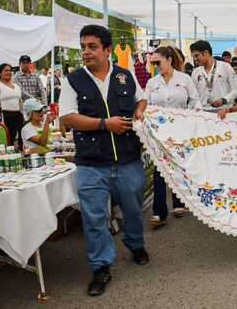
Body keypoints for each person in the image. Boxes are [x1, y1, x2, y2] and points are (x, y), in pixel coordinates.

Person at [60, 25, 149, 297]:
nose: (86, 51)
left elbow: (142, 99)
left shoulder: (125, 75)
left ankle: (135, 244)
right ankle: (100, 267)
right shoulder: (72, 80)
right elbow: (67, 117)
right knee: (94, 217)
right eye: (83, 46)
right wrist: (103, 124)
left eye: (92, 46)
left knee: (133, 207)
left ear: (108, 49)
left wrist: (139, 111)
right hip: (91, 163)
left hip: (127, 158)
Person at [141, 46, 200, 228]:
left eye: (158, 62)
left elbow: (195, 100)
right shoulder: (152, 83)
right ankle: (159, 212)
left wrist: (192, 117)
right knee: (160, 170)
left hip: (181, 131)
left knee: (179, 166)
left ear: (169, 60)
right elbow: (145, 104)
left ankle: (179, 203)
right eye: (153, 63)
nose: (155, 66)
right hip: (159, 132)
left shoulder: (185, 79)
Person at [190, 40, 237, 111]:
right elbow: (193, 94)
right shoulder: (195, 72)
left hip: (223, 112)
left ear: (205, 52)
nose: (195, 59)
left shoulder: (225, 67)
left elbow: (236, 89)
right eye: (193, 56)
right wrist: (197, 106)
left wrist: (224, 100)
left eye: (196, 55)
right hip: (203, 112)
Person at [0, 63, 23, 147]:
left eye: (10, 70)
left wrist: (23, 115)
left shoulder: (16, 86)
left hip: (18, 115)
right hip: (5, 116)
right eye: (6, 70)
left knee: (20, 141)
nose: (8, 72)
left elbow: (20, 101)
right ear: (0, 73)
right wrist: (1, 120)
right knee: (8, 141)